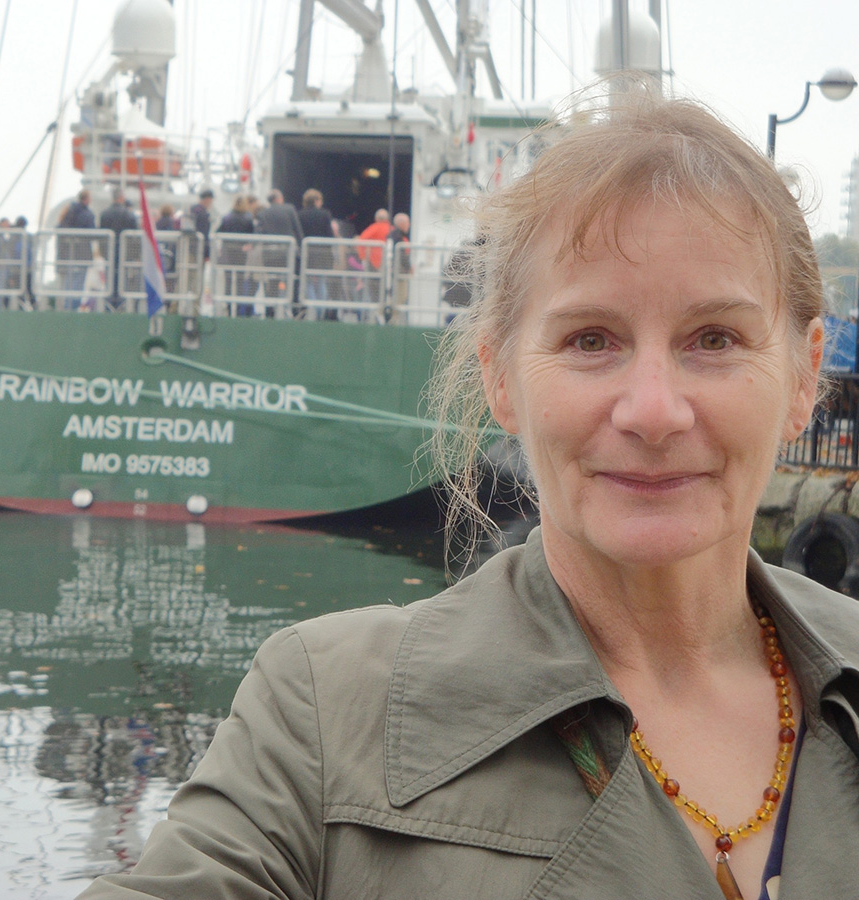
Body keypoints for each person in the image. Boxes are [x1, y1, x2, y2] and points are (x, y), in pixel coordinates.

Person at [75, 87, 859, 900]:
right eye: (590, 340)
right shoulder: (322, 719)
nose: (654, 410)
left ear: (804, 377)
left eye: (716, 339)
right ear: (499, 376)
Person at [255, 188, 303, 313]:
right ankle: (295, 310)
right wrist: (301, 248)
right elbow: (297, 230)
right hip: (289, 254)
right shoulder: (290, 209)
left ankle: (270, 310)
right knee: (293, 280)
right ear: (279, 199)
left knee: (272, 282)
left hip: (270, 255)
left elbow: (259, 234)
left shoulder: (263, 213)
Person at [297, 188, 340, 318]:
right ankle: (320, 312)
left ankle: (312, 308)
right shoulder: (325, 214)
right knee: (321, 282)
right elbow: (330, 235)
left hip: (307, 254)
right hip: (323, 255)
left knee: (308, 282)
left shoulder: (300, 214)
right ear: (316, 200)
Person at [215, 194, 256, 315]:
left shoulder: (227, 217)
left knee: (228, 281)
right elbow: (253, 235)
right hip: (241, 253)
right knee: (239, 281)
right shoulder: (248, 218)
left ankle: (228, 308)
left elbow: (218, 232)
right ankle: (238, 310)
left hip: (228, 252)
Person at [58, 188, 97, 310]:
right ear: (87, 199)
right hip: (82, 253)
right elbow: (92, 233)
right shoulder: (87, 214)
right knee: (78, 283)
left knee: (69, 282)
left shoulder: (68, 212)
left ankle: (66, 306)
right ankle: (74, 307)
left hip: (68, 253)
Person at [99, 188, 138, 309]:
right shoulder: (129, 214)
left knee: (109, 278)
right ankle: (122, 305)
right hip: (124, 253)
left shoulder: (104, 214)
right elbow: (134, 235)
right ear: (121, 197)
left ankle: (108, 304)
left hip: (109, 252)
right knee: (123, 278)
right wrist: (134, 254)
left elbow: (101, 234)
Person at [356, 208, 392, 306]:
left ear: (376, 218)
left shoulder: (374, 228)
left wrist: (363, 257)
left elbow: (361, 241)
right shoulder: (392, 229)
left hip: (373, 265)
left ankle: (376, 310)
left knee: (373, 290)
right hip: (390, 264)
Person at [385, 211, 411, 320]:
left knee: (395, 297)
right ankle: (392, 319)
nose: (409, 225)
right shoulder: (397, 237)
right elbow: (401, 256)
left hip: (393, 272)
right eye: (407, 223)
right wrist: (409, 267)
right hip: (398, 273)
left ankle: (389, 316)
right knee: (400, 297)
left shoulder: (392, 235)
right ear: (402, 224)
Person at [188, 189, 214, 260]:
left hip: (189, 246)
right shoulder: (203, 214)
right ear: (207, 199)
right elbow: (204, 233)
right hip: (198, 249)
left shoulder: (192, 209)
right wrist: (207, 254)